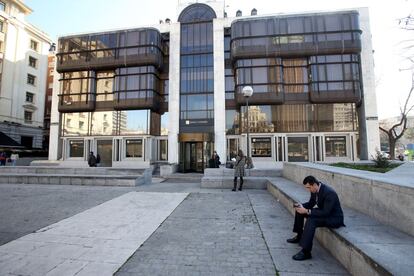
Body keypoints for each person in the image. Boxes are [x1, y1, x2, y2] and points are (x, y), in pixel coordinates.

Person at [287, 175, 345, 261]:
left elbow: (326, 212)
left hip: (334, 218)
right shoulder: (314, 190)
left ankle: (306, 252)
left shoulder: (329, 193)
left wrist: (307, 211)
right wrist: (301, 206)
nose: (308, 190)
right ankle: (299, 236)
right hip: (324, 213)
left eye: (309, 187)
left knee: (311, 220)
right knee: (299, 211)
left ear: (314, 184)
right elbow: (311, 203)